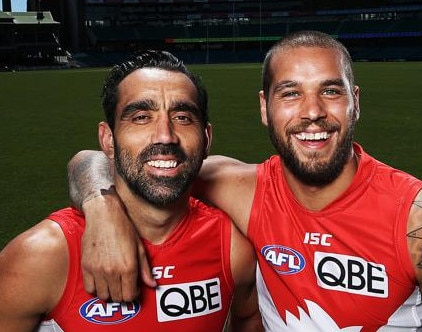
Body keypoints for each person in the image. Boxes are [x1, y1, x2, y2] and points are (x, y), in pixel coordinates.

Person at [67, 31, 422, 331]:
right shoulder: (240, 187)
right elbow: (95, 158)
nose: (313, 112)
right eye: (291, 93)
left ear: (355, 102)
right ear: (265, 107)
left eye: (330, 91)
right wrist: (103, 208)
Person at [0, 50, 262, 332]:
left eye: (183, 117)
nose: (165, 135)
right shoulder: (41, 256)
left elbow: (249, 318)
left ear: (207, 138)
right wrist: (100, 205)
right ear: (108, 139)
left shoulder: (233, 249)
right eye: (140, 117)